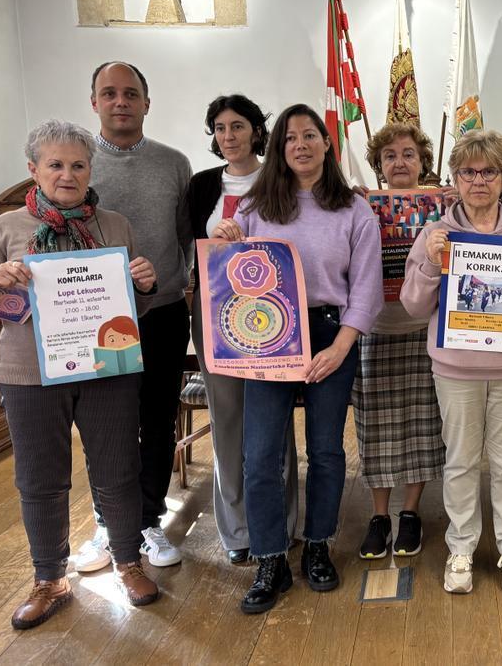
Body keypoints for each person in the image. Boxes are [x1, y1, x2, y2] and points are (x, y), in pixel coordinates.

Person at [0, 120, 161, 629]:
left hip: (106, 368)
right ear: (34, 170)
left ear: (90, 168)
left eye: (78, 165)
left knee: (119, 469)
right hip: (28, 373)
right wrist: (0, 282)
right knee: (40, 479)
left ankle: (127, 561)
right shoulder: (8, 228)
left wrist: (144, 281)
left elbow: (123, 307)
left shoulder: (113, 225)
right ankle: (49, 578)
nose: (68, 174)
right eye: (55, 165)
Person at [211, 104, 381, 613]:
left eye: (310, 136)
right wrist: (224, 241)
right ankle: (270, 559)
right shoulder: (255, 207)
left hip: (332, 332)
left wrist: (342, 345)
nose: (301, 145)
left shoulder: (354, 208)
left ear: (328, 144)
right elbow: (230, 270)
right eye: (290, 138)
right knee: (260, 453)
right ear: (279, 148)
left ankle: (319, 545)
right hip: (268, 337)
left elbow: (366, 287)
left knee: (326, 450)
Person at [402, 129, 502, 593]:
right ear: (454, 178)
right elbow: (414, 306)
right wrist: (432, 266)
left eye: (488, 171)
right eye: (468, 171)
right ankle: (461, 548)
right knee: (460, 462)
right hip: (456, 369)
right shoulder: (435, 235)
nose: (478, 180)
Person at [76, 61, 193, 572]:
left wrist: (176, 281)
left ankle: (147, 520)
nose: (120, 101)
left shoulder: (174, 163)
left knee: (156, 417)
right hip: (98, 319)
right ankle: (107, 521)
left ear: (147, 102)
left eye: (130, 93)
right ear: (94, 102)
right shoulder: (78, 164)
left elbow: (187, 236)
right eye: (109, 93)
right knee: (105, 423)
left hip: (163, 313)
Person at [181, 94, 300, 565]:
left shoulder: (282, 177)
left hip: (276, 314)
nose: (228, 136)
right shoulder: (202, 185)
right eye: (219, 128)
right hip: (217, 316)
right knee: (227, 420)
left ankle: (282, 523)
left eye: (237, 126)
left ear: (256, 130)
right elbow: (191, 250)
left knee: (274, 423)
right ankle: (237, 531)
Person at [353, 122, 446, 559]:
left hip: (423, 327)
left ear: (423, 161)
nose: (400, 162)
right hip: (374, 326)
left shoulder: (443, 210)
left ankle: (410, 512)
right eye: (390, 156)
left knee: (423, 425)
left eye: (408, 154)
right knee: (376, 425)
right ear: (379, 166)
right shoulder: (359, 208)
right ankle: (379, 515)